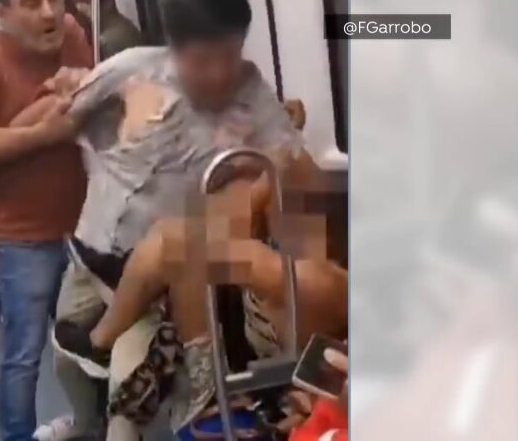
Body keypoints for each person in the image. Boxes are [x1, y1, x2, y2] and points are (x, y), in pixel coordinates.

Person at [44, 0, 307, 438]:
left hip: (156, 276)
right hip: (91, 258)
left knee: (126, 403)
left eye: (230, 56)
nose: (219, 73)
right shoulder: (128, 70)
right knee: (68, 364)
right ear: (174, 47)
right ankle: (84, 422)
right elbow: (63, 116)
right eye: (203, 61)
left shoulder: (251, 94)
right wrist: (63, 94)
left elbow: (289, 160)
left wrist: (260, 181)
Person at [55, 166, 348, 438]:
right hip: (260, 345)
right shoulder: (292, 257)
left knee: (177, 243)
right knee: (183, 240)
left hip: (276, 376)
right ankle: (113, 325)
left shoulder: (311, 281)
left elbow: (191, 245)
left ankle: (101, 342)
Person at [0, 0, 92, 439]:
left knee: (91, 348)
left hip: (88, 229)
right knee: (23, 357)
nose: (49, 12)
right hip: (23, 236)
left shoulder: (72, 34)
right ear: (2, 11)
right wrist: (42, 130)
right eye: (31, 2)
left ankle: (96, 425)